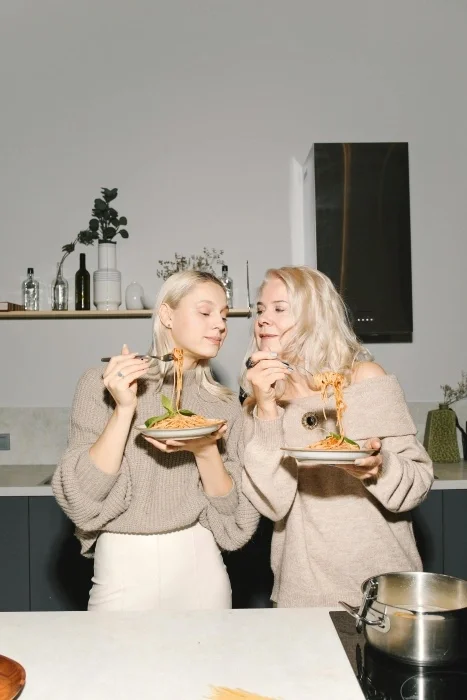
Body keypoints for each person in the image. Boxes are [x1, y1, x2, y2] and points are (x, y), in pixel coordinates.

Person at [52, 270, 259, 611]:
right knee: (114, 664)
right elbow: (82, 498)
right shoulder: (101, 384)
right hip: (122, 566)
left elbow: (234, 517)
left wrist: (206, 450)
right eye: (205, 312)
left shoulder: (223, 404)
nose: (220, 325)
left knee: (207, 664)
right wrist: (124, 409)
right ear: (166, 315)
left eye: (224, 316)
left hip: (200, 565)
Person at [240, 266, 433, 608]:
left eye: (279, 309)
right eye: (260, 310)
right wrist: (267, 409)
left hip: (385, 592)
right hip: (303, 595)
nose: (263, 320)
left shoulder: (364, 380)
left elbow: (417, 482)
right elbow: (273, 504)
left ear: (315, 317)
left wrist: (380, 468)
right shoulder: (259, 404)